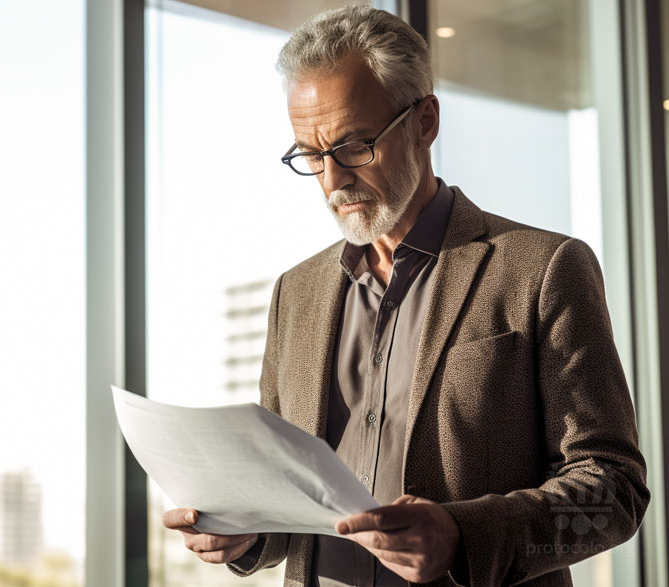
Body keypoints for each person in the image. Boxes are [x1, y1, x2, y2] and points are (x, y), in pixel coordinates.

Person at [161, 5, 650, 587]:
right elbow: (287, 496)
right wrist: (246, 529)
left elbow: (611, 493)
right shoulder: (295, 294)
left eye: (353, 145)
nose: (332, 179)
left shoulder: (543, 269)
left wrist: (463, 536)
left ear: (424, 121)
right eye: (310, 155)